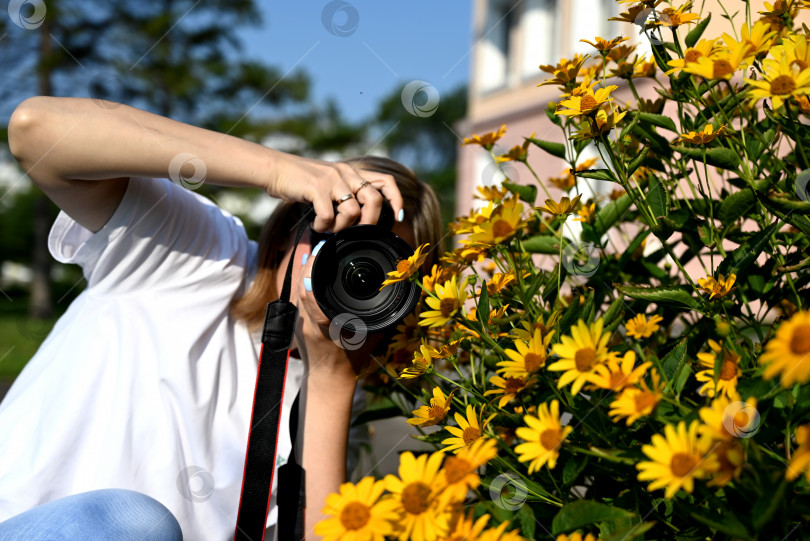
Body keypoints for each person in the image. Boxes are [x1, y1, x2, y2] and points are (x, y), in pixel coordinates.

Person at [0, 96, 442, 540]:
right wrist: (278, 169)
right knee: (136, 523)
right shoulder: (199, 254)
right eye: (339, 235)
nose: (346, 273)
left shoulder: (342, 388)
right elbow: (35, 129)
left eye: (380, 269)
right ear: (295, 220)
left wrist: (332, 380)